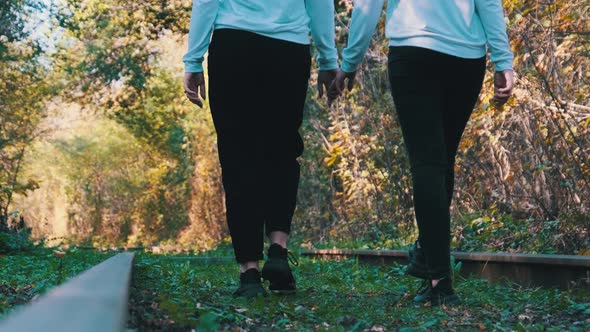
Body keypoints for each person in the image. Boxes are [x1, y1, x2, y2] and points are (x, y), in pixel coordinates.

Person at [330, 0, 514, 305]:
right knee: (441, 161)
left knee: (429, 162)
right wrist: (503, 61)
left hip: (414, 50)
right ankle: (429, 256)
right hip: (466, 55)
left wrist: (350, 62)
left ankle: (439, 279)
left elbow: (368, 4)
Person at [183, 0, 338, 298]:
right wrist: (328, 60)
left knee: (238, 156)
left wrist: (193, 61)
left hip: (234, 44)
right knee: (282, 150)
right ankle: (278, 249)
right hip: (287, 48)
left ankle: (250, 271)